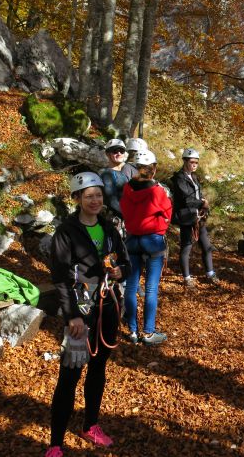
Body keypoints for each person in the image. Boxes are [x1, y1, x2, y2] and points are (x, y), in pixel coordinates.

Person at [46, 172, 131, 457]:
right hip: (80, 308)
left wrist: (122, 271)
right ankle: (55, 443)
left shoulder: (109, 229)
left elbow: (126, 262)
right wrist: (73, 316)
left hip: (106, 306)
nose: (95, 200)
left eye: (98, 195)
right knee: (70, 374)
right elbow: (60, 277)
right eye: (89, 195)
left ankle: (90, 424)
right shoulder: (66, 232)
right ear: (77, 199)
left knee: (98, 369)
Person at [120, 148, 172, 345]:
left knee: (131, 287)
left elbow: (124, 209)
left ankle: (133, 331)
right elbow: (167, 213)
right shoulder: (157, 191)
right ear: (154, 168)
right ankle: (148, 333)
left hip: (132, 240)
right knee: (151, 289)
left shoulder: (127, 189)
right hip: (153, 241)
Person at [170, 147, 218, 288]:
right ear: (184, 161)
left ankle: (210, 273)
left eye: (196, 162)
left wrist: (202, 203)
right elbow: (186, 199)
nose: (194, 164)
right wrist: (203, 202)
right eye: (192, 162)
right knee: (186, 248)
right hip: (186, 218)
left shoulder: (194, 177)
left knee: (206, 246)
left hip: (197, 217)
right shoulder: (179, 178)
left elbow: (195, 196)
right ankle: (187, 278)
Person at [98, 139, 138, 236]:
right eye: (115, 151)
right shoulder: (106, 174)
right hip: (116, 221)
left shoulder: (124, 172)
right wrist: (131, 214)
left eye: (122, 151)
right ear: (107, 154)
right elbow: (111, 200)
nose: (119, 153)